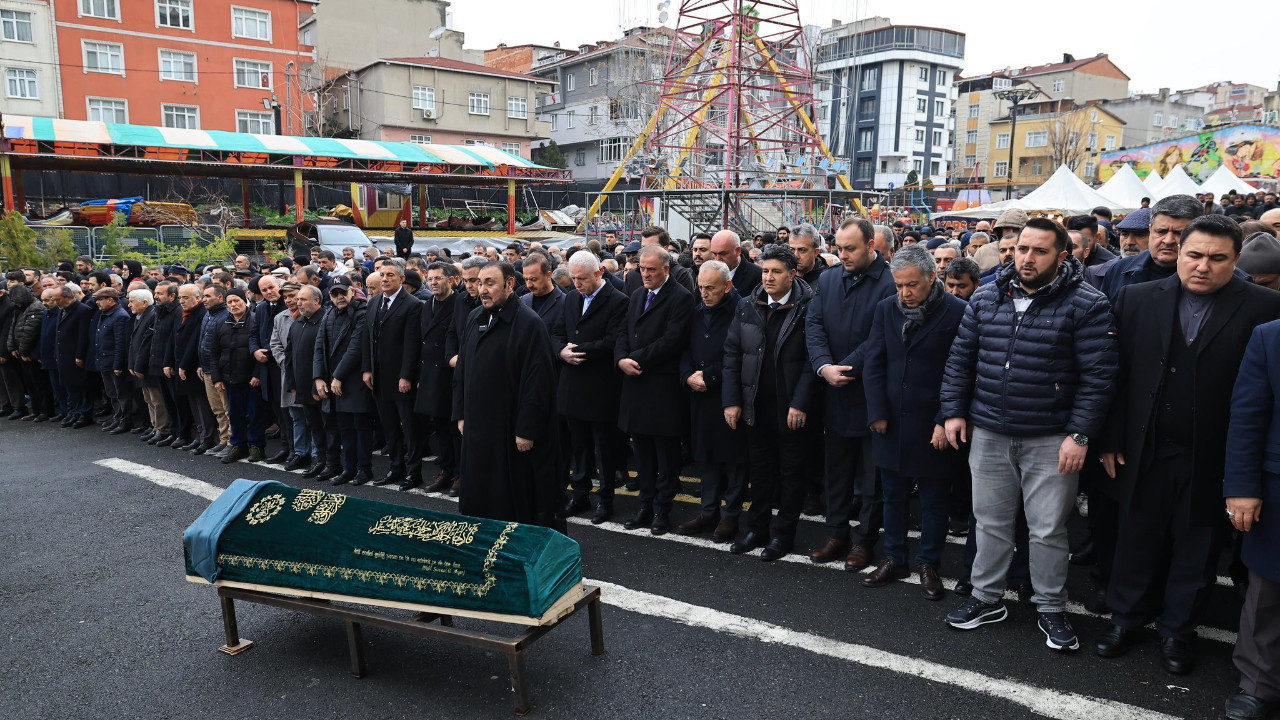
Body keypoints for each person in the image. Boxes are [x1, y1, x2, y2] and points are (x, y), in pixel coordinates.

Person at [1095, 215, 1280, 674]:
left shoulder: (1263, 307)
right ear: (1178, 253)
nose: (1203, 266)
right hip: (1144, 447)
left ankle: (1178, 630)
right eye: (1194, 255)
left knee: (1196, 549)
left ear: (1235, 261)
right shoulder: (1135, 298)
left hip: (1213, 454)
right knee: (1136, 537)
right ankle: (1126, 617)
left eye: (1217, 259)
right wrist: (1111, 439)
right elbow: (1116, 375)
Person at [939, 218, 1117, 653]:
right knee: (991, 522)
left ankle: (1051, 607)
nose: (1027, 258)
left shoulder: (1087, 303)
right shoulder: (987, 295)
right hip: (990, 431)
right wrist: (953, 413)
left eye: (1039, 251)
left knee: (1048, 529)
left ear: (1062, 256)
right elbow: (961, 360)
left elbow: (1099, 377)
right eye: (1021, 249)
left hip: (1050, 436)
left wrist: (1079, 435)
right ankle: (986, 598)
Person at [862, 244, 966, 599]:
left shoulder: (957, 312)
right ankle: (895, 558)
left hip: (933, 423)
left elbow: (962, 371)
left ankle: (929, 563)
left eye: (912, 286)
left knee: (934, 499)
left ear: (932, 277)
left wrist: (945, 418)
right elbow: (874, 363)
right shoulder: (885, 309)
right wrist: (876, 412)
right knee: (892, 496)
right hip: (890, 420)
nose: (905, 293)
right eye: (899, 286)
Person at [805, 217, 896, 569]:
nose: (842, 255)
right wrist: (823, 366)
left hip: (871, 394)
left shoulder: (890, 282)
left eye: (850, 249)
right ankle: (836, 532)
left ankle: (866, 540)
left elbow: (880, 337)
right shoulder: (828, 279)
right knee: (837, 471)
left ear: (871, 246)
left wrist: (844, 367)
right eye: (839, 248)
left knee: (871, 476)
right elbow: (813, 326)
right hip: (833, 390)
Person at [723, 245, 816, 561]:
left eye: (776, 271)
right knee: (760, 471)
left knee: (791, 474)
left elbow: (811, 361)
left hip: (791, 407)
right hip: (755, 405)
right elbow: (732, 354)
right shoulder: (748, 305)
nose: (769, 277)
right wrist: (732, 400)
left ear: (792, 274)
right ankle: (757, 529)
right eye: (765, 271)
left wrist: (800, 402)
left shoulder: (808, 307)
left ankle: (783, 536)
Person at [453, 261, 563, 529]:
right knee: (478, 490)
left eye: (489, 283)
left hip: (509, 429)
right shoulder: (475, 316)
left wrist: (526, 429)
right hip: (477, 427)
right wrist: (459, 413)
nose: (482, 290)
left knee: (511, 497)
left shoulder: (528, 323)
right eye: (479, 283)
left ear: (510, 284)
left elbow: (538, 383)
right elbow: (463, 371)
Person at [1222, 319, 1280, 720]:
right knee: (1267, 595)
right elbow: (1247, 416)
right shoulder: (1270, 336)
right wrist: (1241, 487)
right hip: (1277, 488)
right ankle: (1258, 684)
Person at [616, 244, 694, 535]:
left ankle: (663, 509)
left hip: (662, 388)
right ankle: (645, 504)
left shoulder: (681, 297)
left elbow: (672, 341)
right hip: (635, 383)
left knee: (666, 454)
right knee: (643, 452)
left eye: (651, 269)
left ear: (666, 269)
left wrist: (633, 359)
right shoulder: (637, 295)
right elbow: (624, 331)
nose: (645, 274)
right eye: (641, 269)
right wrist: (620, 359)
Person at [554, 251, 630, 524]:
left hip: (600, 388)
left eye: (582, 279)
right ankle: (581, 494)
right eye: (573, 278)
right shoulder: (572, 298)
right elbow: (557, 332)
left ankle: (606, 500)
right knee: (579, 447)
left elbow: (613, 342)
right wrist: (561, 351)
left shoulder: (619, 301)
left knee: (604, 449)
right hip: (572, 385)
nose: (576, 284)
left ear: (599, 273)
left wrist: (577, 350)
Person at [676, 260, 747, 540]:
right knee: (704, 457)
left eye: (711, 288)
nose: (704, 293)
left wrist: (709, 375)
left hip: (727, 395)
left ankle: (730, 516)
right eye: (701, 287)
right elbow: (683, 349)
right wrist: (686, 376)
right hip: (699, 396)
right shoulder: (695, 312)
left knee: (733, 460)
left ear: (727, 286)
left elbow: (742, 355)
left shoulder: (742, 311)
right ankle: (708, 512)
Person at [362, 259, 423, 489]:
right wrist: (367, 369)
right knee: (389, 427)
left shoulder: (413, 305)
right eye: (382, 274)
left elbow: (412, 343)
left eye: (390, 275)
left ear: (402, 278)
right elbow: (367, 337)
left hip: (401, 378)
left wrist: (406, 375)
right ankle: (396, 467)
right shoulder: (374, 301)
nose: (385, 279)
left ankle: (414, 472)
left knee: (409, 428)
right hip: (378, 376)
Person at [314, 274, 373, 485]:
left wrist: (337, 376)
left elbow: (355, 348)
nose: (339, 296)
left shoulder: (362, 312)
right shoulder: (329, 314)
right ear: (329, 295)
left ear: (352, 291)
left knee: (361, 428)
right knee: (344, 429)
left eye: (342, 292)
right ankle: (349, 468)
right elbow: (320, 347)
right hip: (334, 382)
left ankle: (364, 469)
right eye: (334, 293)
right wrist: (319, 377)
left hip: (354, 381)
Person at [416, 262, 461, 494]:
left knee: (456, 429)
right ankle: (446, 469)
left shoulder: (460, 303)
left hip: (451, 374)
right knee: (440, 427)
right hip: (431, 375)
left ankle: (460, 474)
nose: (433, 283)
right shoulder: (427, 306)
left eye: (438, 278)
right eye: (430, 279)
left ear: (451, 279)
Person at [209, 289, 262, 464]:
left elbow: (261, 350)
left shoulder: (255, 319)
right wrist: (217, 378)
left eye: (236, 300)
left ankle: (257, 446)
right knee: (235, 414)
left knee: (255, 414)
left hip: (251, 379)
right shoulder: (222, 323)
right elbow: (215, 353)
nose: (233, 305)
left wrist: (256, 374)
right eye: (230, 302)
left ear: (244, 300)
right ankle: (238, 445)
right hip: (230, 377)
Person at [173, 284, 219, 454]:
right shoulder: (183, 313)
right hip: (184, 365)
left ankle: (207, 438)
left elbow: (194, 343)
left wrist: (184, 365)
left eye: (185, 297)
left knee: (202, 404)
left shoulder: (201, 314)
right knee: (193, 402)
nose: (182, 301)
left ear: (198, 298)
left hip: (194, 366)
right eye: (180, 298)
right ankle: (200, 436)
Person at [249, 275, 290, 462]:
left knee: (290, 412)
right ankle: (286, 447)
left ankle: (297, 450)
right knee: (278, 411)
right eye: (264, 290)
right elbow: (254, 334)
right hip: (266, 366)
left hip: (282, 366)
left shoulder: (289, 304)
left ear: (279, 286)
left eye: (271, 288)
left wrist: (269, 354)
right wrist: (255, 350)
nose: (269, 292)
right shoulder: (261, 308)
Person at [125, 288, 169, 446]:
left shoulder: (151, 315)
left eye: (132, 301)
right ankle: (155, 426)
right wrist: (131, 363)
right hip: (140, 365)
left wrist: (138, 366)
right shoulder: (139, 316)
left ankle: (162, 429)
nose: (129, 304)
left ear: (144, 302)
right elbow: (133, 343)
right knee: (149, 399)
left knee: (157, 400)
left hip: (148, 366)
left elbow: (146, 344)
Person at [89, 287, 131, 433]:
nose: (97, 303)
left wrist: (118, 365)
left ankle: (125, 420)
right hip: (104, 361)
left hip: (114, 362)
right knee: (112, 393)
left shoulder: (120, 316)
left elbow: (121, 344)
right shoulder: (105, 314)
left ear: (110, 300)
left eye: (100, 299)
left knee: (121, 394)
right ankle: (117, 417)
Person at [196, 284, 232, 454]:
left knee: (228, 408)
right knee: (217, 409)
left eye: (208, 296)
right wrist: (201, 365)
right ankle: (223, 439)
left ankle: (232, 442)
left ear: (220, 298)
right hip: (207, 369)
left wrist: (217, 372)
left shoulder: (225, 316)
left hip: (219, 371)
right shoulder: (207, 315)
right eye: (203, 296)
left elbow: (222, 348)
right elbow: (203, 342)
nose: (204, 300)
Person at [710, 229, 762, 295]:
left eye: (723, 254)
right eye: (714, 254)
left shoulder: (757, 276)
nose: (717, 259)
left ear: (738, 251)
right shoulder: (708, 273)